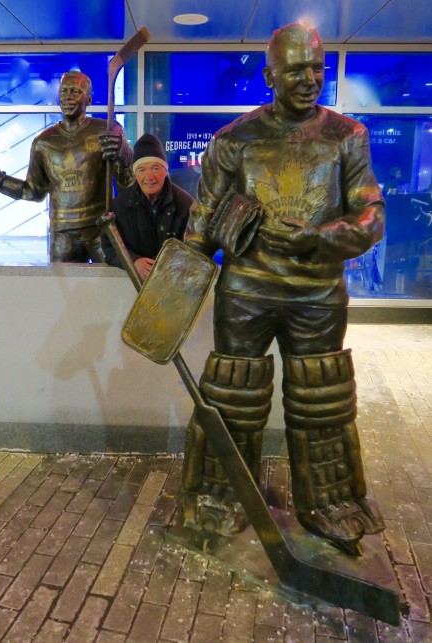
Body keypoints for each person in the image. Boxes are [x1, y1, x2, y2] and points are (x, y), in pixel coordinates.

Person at [180, 23, 386, 555]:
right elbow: (199, 226)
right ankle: (221, 494)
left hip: (317, 295)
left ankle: (327, 499)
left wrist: (320, 236)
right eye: (296, 70)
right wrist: (173, 288)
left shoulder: (347, 137)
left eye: (317, 68)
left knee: (322, 398)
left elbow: (370, 214)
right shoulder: (234, 140)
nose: (309, 79)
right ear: (270, 74)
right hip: (246, 291)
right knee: (232, 396)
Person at [0, 71, 134, 263]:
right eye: (64, 91)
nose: (68, 96)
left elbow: (127, 187)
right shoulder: (43, 143)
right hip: (63, 232)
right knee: (60, 290)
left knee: (111, 287)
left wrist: (124, 157)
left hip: (100, 229)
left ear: (89, 99)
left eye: (76, 91)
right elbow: (32, 192)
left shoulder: (107, 131)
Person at [102, 133, 193, 280]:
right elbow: (109, 247)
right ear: (135, 173)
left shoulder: (185, 204)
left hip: (174, 284)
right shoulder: (119, 206)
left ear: (165, 171)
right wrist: (133, 262)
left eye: (155, 168)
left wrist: (174, 265)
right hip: (132, 287)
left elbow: (198, 250)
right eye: (142, 170)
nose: (149, 177)